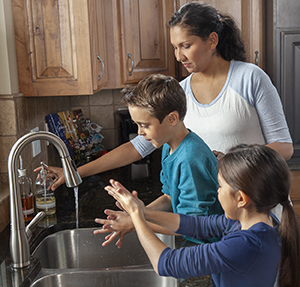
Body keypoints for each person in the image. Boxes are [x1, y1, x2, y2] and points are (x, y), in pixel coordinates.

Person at [39, 1, 293, 191]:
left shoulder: (250, 78)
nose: (179, 56)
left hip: (257, 205)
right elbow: (138, 147)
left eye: (186, 45)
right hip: (210, 213)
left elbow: (283, 147)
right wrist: (74, 172)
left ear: (212, 40)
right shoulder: (179, 92)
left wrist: (234, 161)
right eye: (174, 47)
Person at [103, 144, 300, 287]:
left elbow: (167, 263)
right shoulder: (257, 223)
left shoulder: (245, 244)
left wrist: (136, 216)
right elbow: (197, 225)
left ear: (240, 199)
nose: (217, 191)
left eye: (220, 186)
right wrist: (144, 211)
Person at [96, 73, 222, 245]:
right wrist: (138, 213)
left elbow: (192, 225)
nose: (140, 132)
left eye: (145, 125)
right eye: (137, 125)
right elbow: (170, 197)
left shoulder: (190, 158)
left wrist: (136, 223)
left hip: (211, 248)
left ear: (172, 119)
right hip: (195, 243)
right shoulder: (169, 146)